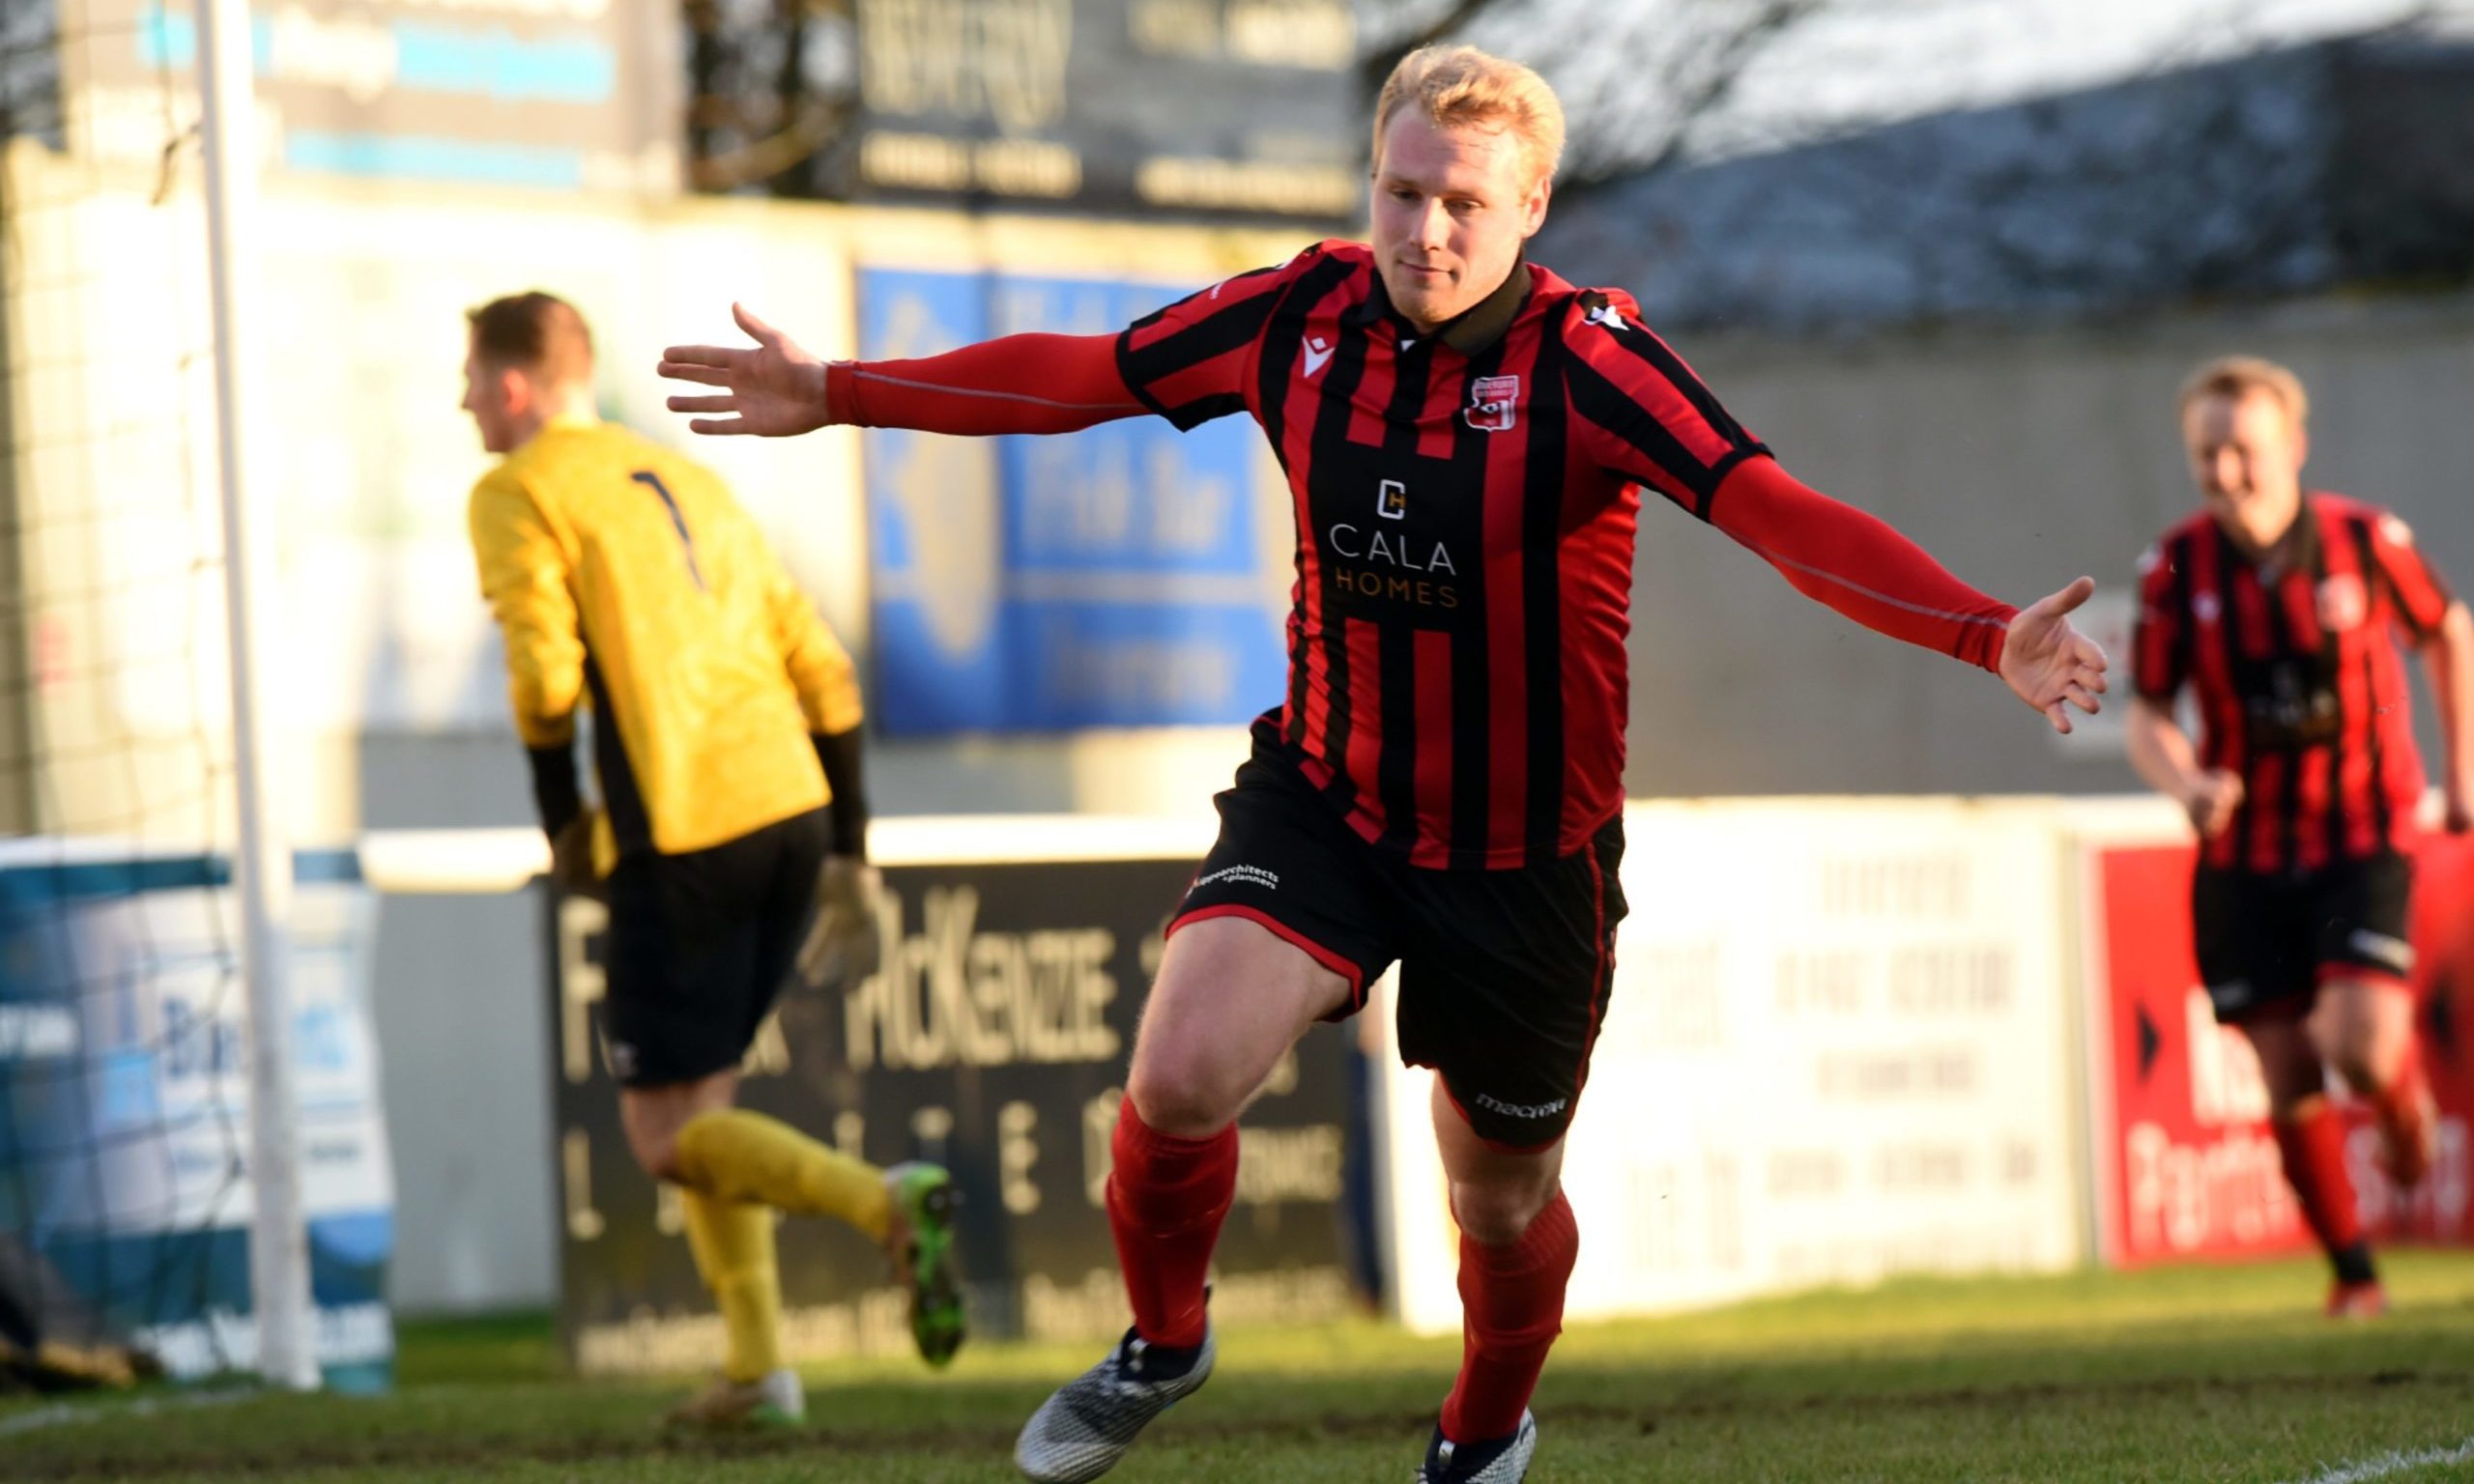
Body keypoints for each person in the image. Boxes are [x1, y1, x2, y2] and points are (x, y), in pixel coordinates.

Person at [658, 46, 2106, 1484]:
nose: (1426, 232)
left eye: (1464, 203)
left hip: (1524, 857)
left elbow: (1777, 513)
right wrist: (840, 388)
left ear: (1531, 207)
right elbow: (1087, 376)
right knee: (1177, 1076)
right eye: (1402, 192)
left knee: (1497, 1199)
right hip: (1328, 800)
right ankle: (1164, 1342)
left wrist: (1986, 634)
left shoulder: (1592, 365)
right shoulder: (1296, 315)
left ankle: (1482, 1431)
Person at [460, 291, 965, 1427]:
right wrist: (851, 848)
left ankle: (883, 1202)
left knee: (663, 1137)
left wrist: (562, 817)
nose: (463, 404)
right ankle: (758, 1372)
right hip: (793, 811)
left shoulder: (516, 490)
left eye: (470, 381)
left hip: (682, 825)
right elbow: (820, 661)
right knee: (707, 1114)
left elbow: (543, 673)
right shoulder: (689, 477)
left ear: (513, 386)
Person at [2127, 356, 2472, 1318]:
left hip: (2361, 834)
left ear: (2294, 447)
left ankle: (2399, 1099)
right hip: (2243, 854)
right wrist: (2187, 783)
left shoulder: (2365, 541)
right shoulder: (2174, 568)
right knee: (2286, 1072)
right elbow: (2148, 713)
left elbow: (2448, 630)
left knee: (2357, 1044)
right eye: (2208, 453)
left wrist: (2462, 775)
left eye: (2243, 449)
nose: (2226, 471)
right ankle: (2354, 1276)